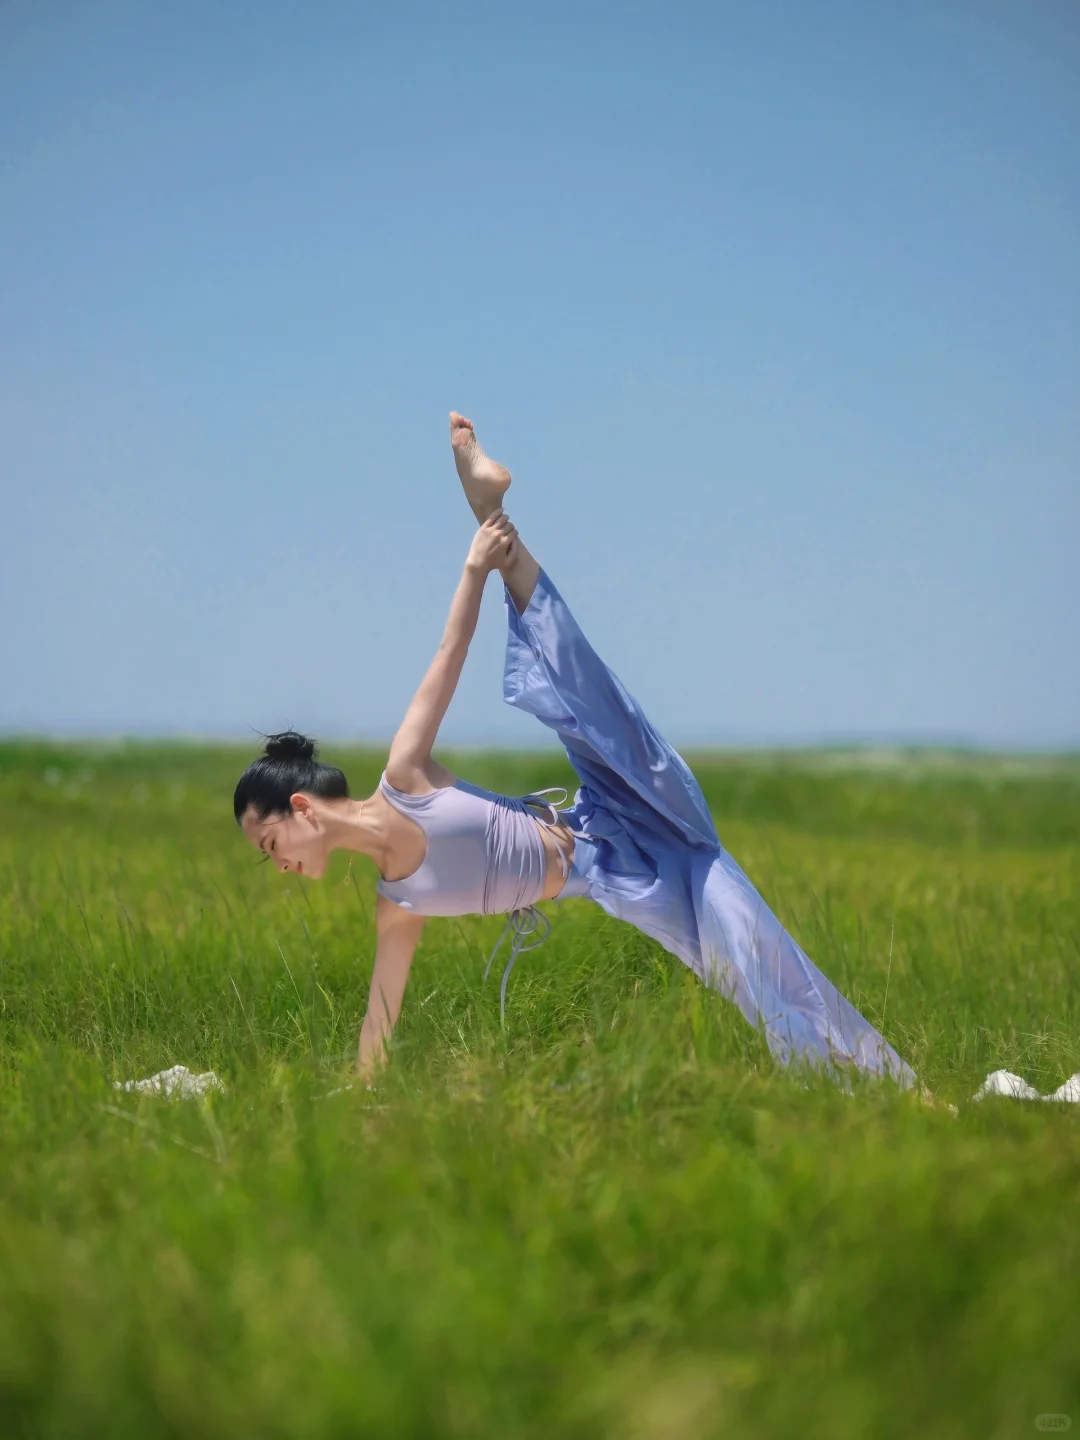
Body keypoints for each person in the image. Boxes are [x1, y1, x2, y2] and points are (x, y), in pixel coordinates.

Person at [234, 414, 925, 1099]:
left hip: (617, 801)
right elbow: (378, 1020)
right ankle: (889, 1096)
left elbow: (450, 655)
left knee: (586, 697)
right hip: (626, 882)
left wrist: (475, 570)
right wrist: (363, 1106)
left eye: (269, 842)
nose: (278, 862)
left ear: (301, 808)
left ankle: (492, 519)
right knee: (746, 960)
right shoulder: (398, 903)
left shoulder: (405, 778)